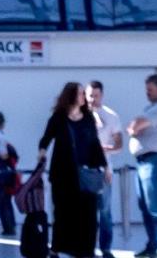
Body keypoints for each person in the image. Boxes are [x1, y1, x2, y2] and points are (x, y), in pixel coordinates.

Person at [38, 82, 108, 258]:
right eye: (80, 94)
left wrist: (105, 167)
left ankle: (85, 250)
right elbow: (46, 138)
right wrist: (42, 152)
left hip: (86, 173)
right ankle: (58, 247)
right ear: (71, 96)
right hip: (63, 174)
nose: (83, 97)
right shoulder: (58, 118)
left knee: (88, 213)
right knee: (63, 213)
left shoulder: (88, 118)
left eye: (83, 94)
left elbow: (95, 144)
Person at [127, 74, 157, 258]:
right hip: (143, 162)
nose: (147, 93)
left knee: (154, 206)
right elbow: (134, 125)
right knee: (145, 207)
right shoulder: (151, 108)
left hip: (154, 161)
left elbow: (136, 125)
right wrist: (135, 126)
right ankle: (153, 245)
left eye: (150, 90)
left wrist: (135, 128)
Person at [88, 81, 125, 258]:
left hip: (103, 171)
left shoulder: (111, 116)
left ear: (101, 95)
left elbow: (119, 144)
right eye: (89, 95)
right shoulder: (78, 116)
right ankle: (87, 247)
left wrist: (104, 149)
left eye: (95, 95)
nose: (92, 99)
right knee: (85, 211)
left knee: (104, 211)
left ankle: (106, 248)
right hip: (83, 171)